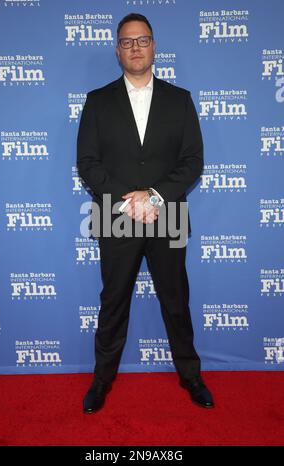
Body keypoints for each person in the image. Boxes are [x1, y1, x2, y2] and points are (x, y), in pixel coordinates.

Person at [77, 13, 214, 413]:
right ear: (117, 50)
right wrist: (130, 199)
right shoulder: (97, 101)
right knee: (113, 302)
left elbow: (193, 162)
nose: (135, 47)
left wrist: (154, 196)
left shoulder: (180, 99)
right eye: (127, 41)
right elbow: (88, 164)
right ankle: (101, 382)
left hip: (167, 213)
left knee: (176, 301)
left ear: (154, 46)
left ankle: (191, 376)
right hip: (114, 215)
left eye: (142, 40)